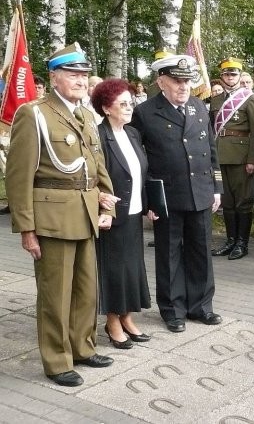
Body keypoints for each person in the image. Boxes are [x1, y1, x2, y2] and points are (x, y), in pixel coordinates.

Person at [5, 42, 117, 387]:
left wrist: (107, 201)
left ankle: (82, 347)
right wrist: (26, 228)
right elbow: (18, 176)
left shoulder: (86, 114)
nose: (80, 80)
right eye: (72, 74)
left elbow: (97, 163)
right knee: (55, 294)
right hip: (52, 218)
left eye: (84, 74)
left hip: (85, 213)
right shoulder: (34, 114)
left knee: (86, 290)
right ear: (54, 77)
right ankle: (56, 360)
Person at [131, 54, 223, 333]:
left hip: (200, 191)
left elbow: (211, 150)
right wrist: (149, 199)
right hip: (167, 195)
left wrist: (217, 188)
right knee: (169, 253)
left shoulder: (198, 106)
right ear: (161, 82)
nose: (183, 86)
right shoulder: (145, 112)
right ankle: (173, 310)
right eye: (176, 81)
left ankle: (201, 306)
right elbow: (137, 159)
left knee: (201, 251)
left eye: (187, 81)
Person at [92, 78, 153, 349]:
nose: (130, 108)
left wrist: (150, 204)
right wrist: (103, 208)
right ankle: (112, 321)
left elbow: (141, 173)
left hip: (134, 210)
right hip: (112, 213)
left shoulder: (132, 133)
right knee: (113, 269)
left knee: (131, 267)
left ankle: (127, 317)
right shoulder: (98, 136)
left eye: (130, 103)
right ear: (106, 108)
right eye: (123, 104)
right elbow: (95, 178)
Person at [209, 57, 254, 260]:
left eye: (234, 74)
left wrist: (253, 160)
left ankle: (242, 243)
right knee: (227, 202)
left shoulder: (249, 98)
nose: (230, 77)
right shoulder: (216, 100)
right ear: (221, 76)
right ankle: (230, 241)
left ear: (240, 76)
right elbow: (211, 129)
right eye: (226, 74)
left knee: (243, 202)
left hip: (242, 158)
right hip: (219, 156)